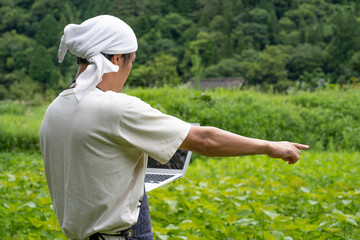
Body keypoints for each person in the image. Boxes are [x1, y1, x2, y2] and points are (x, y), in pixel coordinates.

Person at [39, 15, 309, 240]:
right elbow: (204, 141)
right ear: (118, 59)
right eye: (131, 61)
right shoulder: (116, 108)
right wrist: (268, 146)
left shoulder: (55, 111)